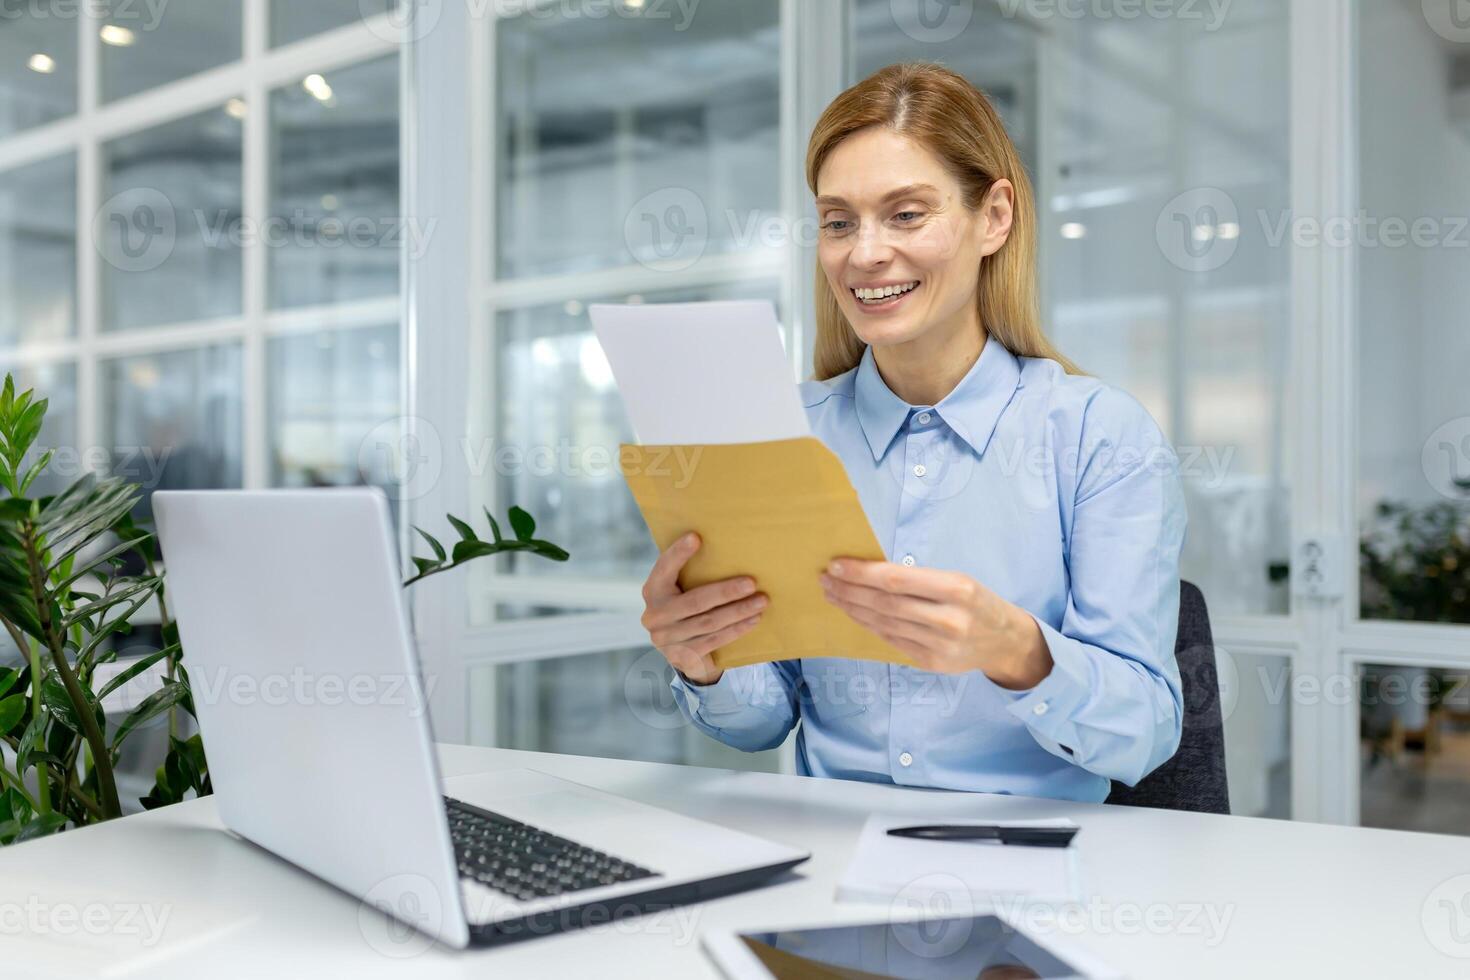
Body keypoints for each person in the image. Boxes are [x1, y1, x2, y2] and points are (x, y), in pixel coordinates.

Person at [638, 63, 1186, 803]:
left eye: (906, 214)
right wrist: (706, 658)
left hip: (1028, 864)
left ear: (994, 217)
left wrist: (1015, 649)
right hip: (828, 855)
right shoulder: (782, 433)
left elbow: (1147, 731)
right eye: (838, 221)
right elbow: (763, 722)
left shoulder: (1098, 436)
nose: (864, 253)